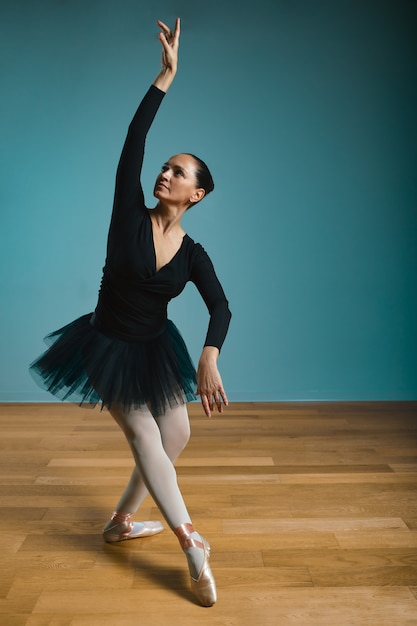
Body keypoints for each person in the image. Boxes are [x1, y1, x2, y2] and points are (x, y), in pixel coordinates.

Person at [29, 18, 231, 607]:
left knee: (177, 433)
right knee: (143, 432)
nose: (164, 173)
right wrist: (164, 79)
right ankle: (189, 540)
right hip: (106, 345)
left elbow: (220, 306)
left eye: (178, 172)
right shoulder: (127, 213)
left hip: (154, 346)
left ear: (195, 195)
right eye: (165, 167)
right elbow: (133, 141)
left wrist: (209, 355)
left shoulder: (192, 254)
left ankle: (120, 521)